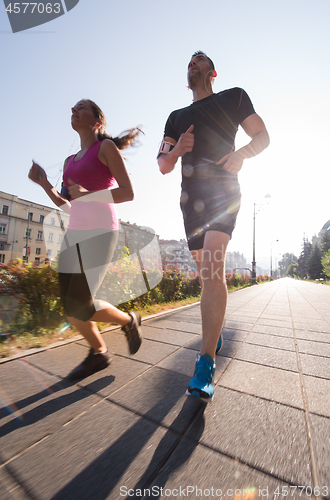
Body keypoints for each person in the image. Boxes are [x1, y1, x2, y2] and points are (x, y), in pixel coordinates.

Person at [157, 51, 270, 401]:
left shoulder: (233, 97)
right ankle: (214, 329)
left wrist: (242, 155)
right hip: (191, 199)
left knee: (214, 263)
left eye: (200, 60)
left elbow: (262, 137)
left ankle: (205, 364)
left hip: (223, 191)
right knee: (207, 274)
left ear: (213, 72)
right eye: (189, 62)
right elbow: (162, 164)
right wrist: (177, 153)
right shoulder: (176, 117)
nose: (193, 64)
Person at [28, 99, 143, 380]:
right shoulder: (69, 163)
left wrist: (87, 195)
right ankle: (99, 352)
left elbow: (127, 193)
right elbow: (65, 202)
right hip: (75, 232)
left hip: (102, 231)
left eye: (81, 107)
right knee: (70, 307)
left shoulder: (105, 148)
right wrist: (43, 182)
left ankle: (128, 321)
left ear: (97, 121)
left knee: (81, 303)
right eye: (73, 108)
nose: (73, 110)